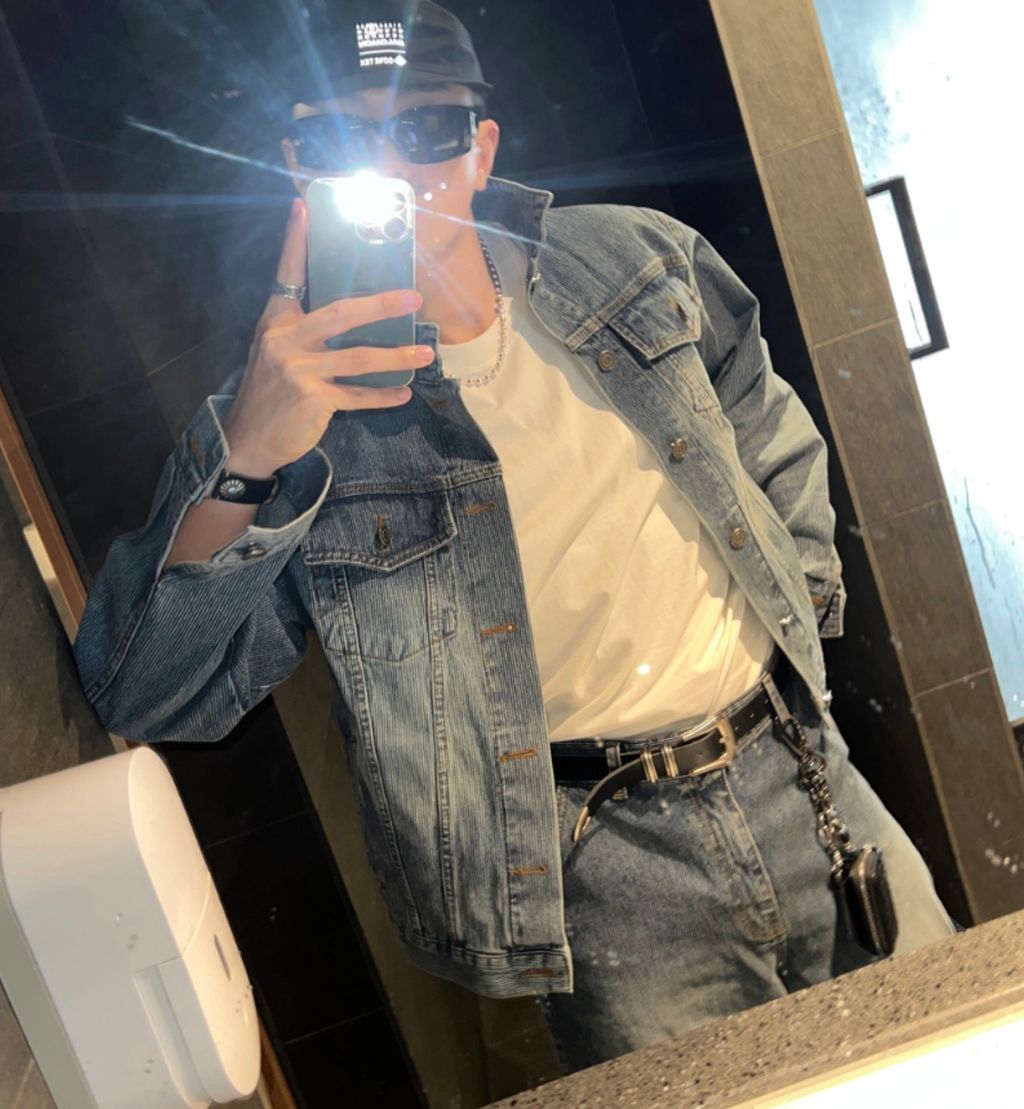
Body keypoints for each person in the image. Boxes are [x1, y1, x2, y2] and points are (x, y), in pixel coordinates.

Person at [73, 0, 956, 1074]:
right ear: (298, 165)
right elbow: (143, 691)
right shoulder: (288, 410)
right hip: (597, 862)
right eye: (346, 138)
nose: (395, 168)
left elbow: (762, 415)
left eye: (427, 129)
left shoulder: (631, 255)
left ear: (481, 148)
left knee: (959, 1055)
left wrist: (801, 610)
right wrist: (252, 447)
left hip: (806, 777)